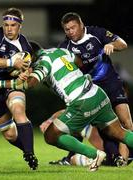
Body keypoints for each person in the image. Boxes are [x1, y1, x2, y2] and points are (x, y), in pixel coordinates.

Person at [0, 47, 133, 172]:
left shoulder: (42, 62)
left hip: (82, 102)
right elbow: (79, 61)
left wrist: (1, 84)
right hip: (97, 93)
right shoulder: (59, 51)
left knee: (51, 135)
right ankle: (95, 154)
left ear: (30, 57)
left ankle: (94, 154)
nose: (22, 66)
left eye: (24, 62)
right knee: (119, 132)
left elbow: (31, 83)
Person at [57, 12, 133, 164]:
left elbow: (123, 44)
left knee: (126, 122)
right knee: (94, 127)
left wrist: (111, 44)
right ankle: (73, 158)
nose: (70, 32)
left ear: (81, 25)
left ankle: (124, 159)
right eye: (67, 29)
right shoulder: (65, 48)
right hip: (90, 91)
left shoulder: (96, 33)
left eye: (73, 27)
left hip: (110, 83)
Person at [0, 7, 38, 170]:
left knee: (18, 110)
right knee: (10, 134)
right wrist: (11, 63)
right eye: (6, 24)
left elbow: (28, 67)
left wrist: (24, 73)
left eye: (12, 25)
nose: (8, 28)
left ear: (20, 26)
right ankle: (25, 148)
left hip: (11, 86)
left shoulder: (24, 43)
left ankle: (30, 153)